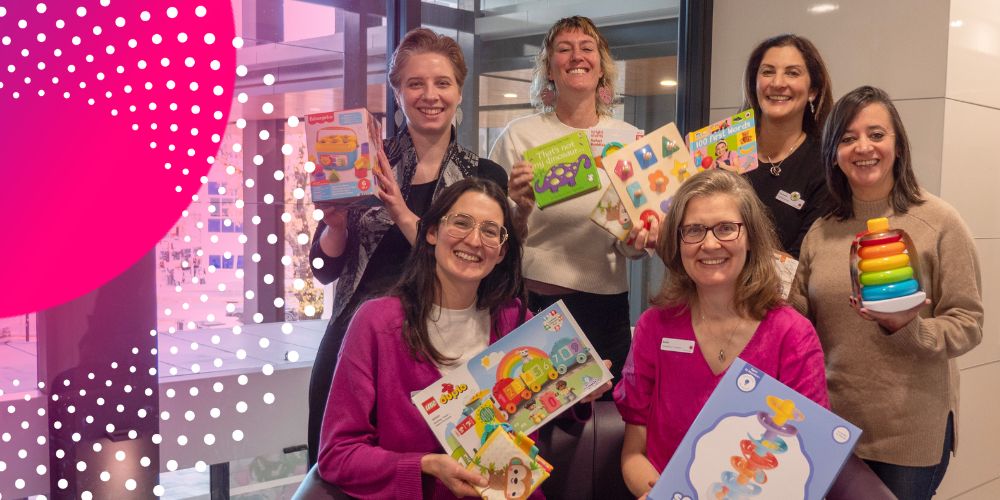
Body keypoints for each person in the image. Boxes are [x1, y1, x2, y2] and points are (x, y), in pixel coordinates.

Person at [317, 178, 609, 499]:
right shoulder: (377, 323)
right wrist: (425, 465)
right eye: (461, 223)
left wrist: (579, 391)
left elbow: (534, 408)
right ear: (431, 233)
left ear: (501, 252)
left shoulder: (517, 322)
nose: (474, 240)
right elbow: (337, 454)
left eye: (489, 231)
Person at [306, 28, 508, 467]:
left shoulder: (484, 176)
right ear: (397, 94)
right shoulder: (363, 160)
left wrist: (399, 209)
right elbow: (325, 268)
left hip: (443, 347)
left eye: (442, 83)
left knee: (439, 472)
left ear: (459, 91)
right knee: (344, 470)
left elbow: (477, 260)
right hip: (355, 343)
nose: (429, 95)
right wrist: (336, 225)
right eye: (415, 84)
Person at [790, 86, 983, 500]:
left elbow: (969, 324)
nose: (863, 147)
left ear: (898, 145)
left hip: (908, 436)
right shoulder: (822, 232)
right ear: (834, 153)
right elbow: (800, 323)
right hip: (832, 426)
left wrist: (909, 329)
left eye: (877, 134)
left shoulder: (939, 222)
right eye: (847, 138)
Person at [614, 169, 829, 499]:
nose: (709, 243)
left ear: (751, 238)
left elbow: (808, 454)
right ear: (677, 241)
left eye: (726, 228)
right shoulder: (654, 327)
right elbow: (634, 452)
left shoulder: (792, 335)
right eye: (694, 230)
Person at [489, 16, 655, 388]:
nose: (576, 56)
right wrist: (517, 207)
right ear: (549, 69)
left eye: (587, 48)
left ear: (602, 68)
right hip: (528, 303)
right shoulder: (520, 135)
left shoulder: (629, 140)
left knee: (602, 425)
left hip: (603, 308)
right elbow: (493, 233)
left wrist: (638, 239)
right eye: (563, 49)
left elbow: (632, 246)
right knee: (526, 416)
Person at [741, 34, 833, 258]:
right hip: (705, 289)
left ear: (813, 90)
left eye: (792, 73)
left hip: (780, 293)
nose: (778, 83)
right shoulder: (722, 150)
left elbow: (800, 262)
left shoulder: (825, 166)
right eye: (767, 71)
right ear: (755, 85)